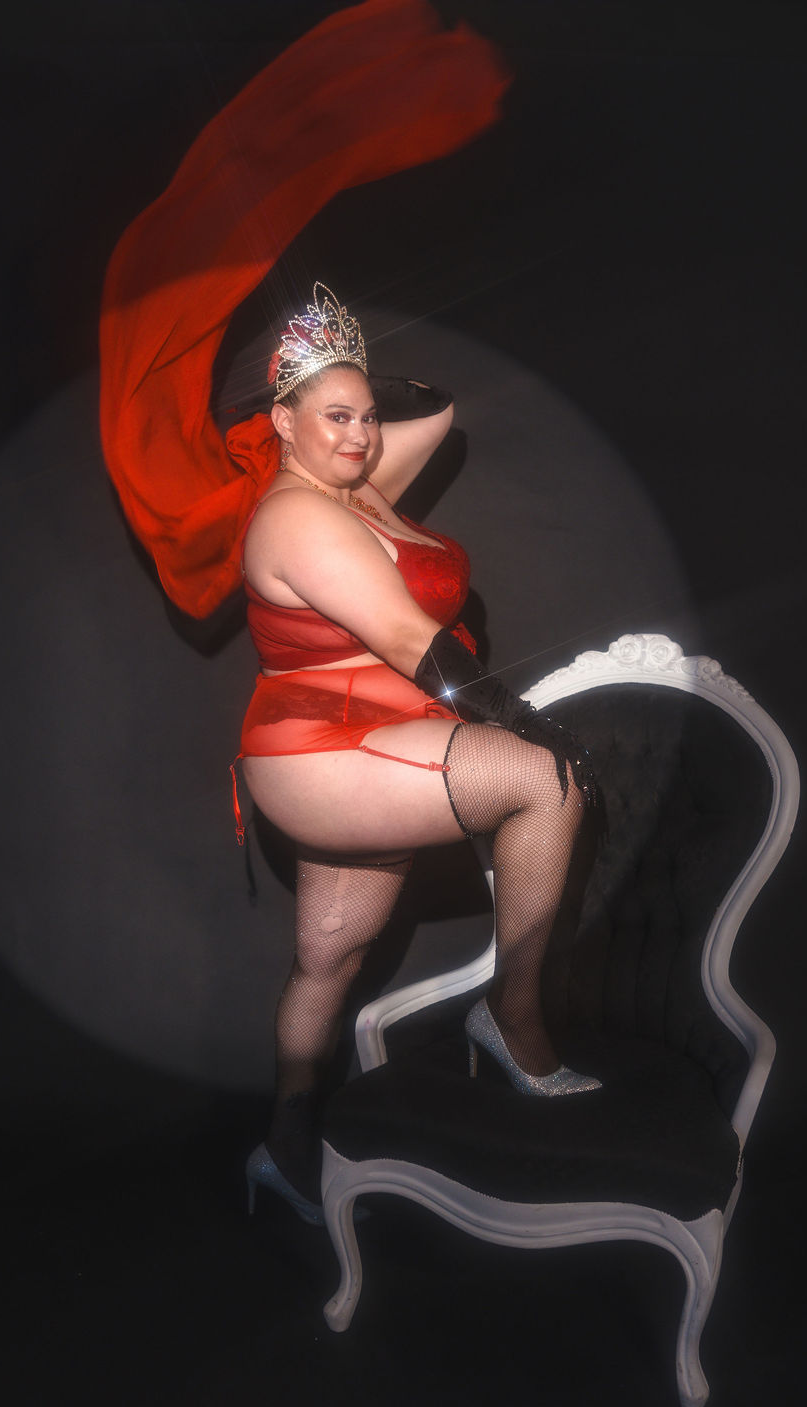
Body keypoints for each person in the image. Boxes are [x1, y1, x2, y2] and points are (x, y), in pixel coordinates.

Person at [238, 285, 600, 1225]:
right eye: (335, 418)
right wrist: (521, 719)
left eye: (366, 417)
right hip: (319, 745)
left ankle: (283, 1144)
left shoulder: (354, 486)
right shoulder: (299, 516)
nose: (360, 435)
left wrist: (344, 374)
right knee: (544, 783)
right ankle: (513, 1018)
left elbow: (436, 412)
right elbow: (407, 637)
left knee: (331, 954)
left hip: (374, 733)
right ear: (281, 423)